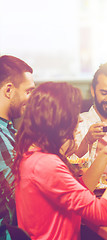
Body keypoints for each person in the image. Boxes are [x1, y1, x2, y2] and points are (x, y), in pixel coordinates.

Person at [13, 82, 107, 239]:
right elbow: (103, 214)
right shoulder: (46, 165)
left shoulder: (33, 155)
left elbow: (79, 190)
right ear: (58, 120)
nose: (80, 120)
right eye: (74, 114)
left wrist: (105, 154)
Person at [0, 55, 35, 240]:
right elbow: (22, 195)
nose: (31, 99)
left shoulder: (8, 129)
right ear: (8, 90)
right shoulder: (1, 138)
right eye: (28, 91)